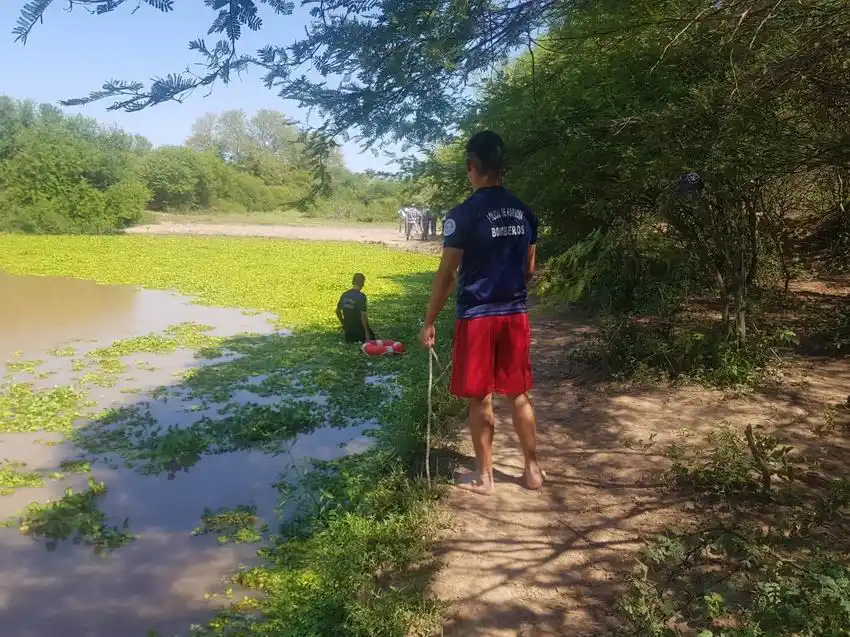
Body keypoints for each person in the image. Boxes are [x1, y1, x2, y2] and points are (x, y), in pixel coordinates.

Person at [419, 130, 543, 495]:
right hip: (514, 313)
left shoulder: (463, 214)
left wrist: (429, 320)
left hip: (476, 317)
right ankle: (533, 471)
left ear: (471, 167)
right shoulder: (525, 212)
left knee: (481, 398)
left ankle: (485, 477)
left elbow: (446, 274)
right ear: (501, 167)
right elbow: (530, 268)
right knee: (519, 394)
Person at [336, 273, 375, 343]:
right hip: (359, 332)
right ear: (363, 284)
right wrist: (367, 333)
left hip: (348, 333)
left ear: (352, 282)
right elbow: (363, 315)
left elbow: (338, 311)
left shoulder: (345, 294)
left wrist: (343, 322)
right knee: (373, 339)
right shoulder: (361, 296)